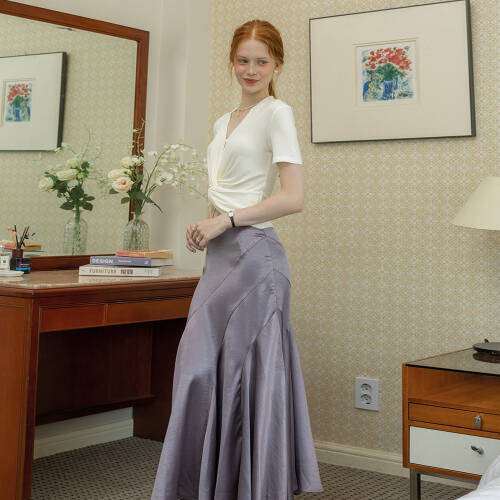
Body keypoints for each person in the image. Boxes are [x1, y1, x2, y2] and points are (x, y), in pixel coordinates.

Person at [151, 19, 323, 500]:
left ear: (277, 65)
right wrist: (207, 224)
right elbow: (226, 190)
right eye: (243, 60)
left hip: (256, 259)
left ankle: (253, 488)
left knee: (247, 375)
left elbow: (293, 198)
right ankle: (208, 487)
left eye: (261, 61)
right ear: (232, 62)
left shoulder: (278, 113)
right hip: (220, 259)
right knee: (197, 368)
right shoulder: (222, 121)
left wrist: (225, 221)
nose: (251, 70)